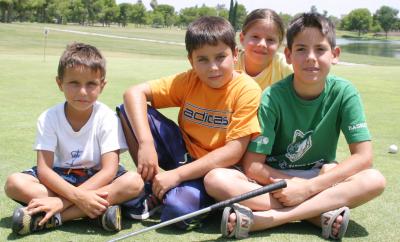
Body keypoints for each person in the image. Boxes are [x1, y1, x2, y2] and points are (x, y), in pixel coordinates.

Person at [204, 12, 386, 240]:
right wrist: (293, 186)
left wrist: (308, 188)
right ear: (288, 55)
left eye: (320, 49)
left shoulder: (344, 92)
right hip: (274, 180)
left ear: (335, 54)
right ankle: (317, 215)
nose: (311, 57)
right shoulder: (272, 96)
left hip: (317, 178)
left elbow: (363, 157)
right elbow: (253, 167)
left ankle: (268, 219)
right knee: (216, 180)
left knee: (374, 180)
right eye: (301, 49)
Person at [118, 16, 261, 229]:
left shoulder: (246, 90)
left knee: (177, 212)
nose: (213, 67)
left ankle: (185, 196)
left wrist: (176, 176)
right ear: (191, 61)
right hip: (182, 154)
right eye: (202, 59)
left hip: (215, 171)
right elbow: (133, 93)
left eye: (220, 57)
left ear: (235, 55)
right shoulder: (189, 80)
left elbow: (233, 152)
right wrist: (146, 145)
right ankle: (151, 186)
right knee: (128, 111)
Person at [4, 42, 144, 235]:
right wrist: (78, 196)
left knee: (134, 182)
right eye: (74, 83)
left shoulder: (107, 118)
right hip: (59, 179)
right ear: (59, 83)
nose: (83, 92)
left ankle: (57, 217)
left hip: (97, 180)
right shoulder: (48, 118)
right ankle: (95, 211)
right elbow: (44, 170)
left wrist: (61, 202)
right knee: (14, 183)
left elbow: (109, 170)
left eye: (91, 84)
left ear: (102, 85)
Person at [235, 8, 292, 90]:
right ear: (242, 39)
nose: (262, 44)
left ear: (279, 44)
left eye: (270, 40)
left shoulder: (285, 67)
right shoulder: (232, 64)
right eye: (255, 37)